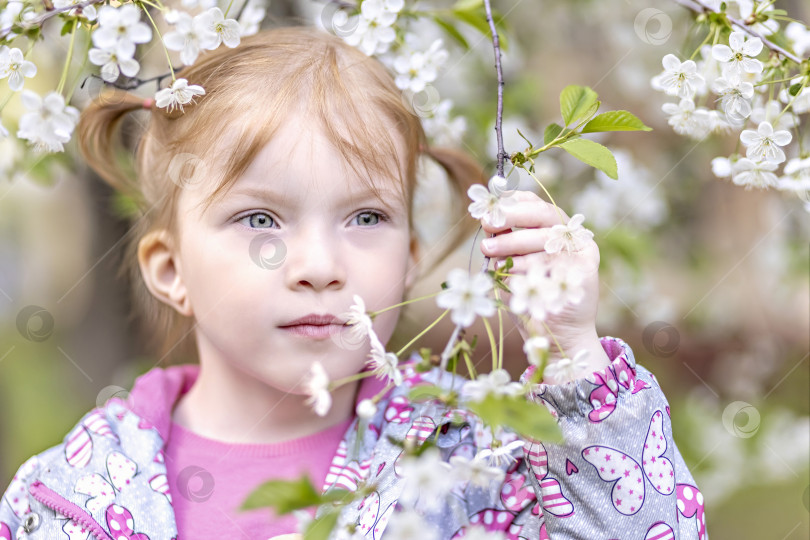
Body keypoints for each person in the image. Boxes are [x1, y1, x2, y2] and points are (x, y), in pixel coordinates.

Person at [0, 26, 706, 540]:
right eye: (259, 220)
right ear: (170, 270)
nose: (317, 264)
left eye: (365, 216)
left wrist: (574, 358)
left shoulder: (472, 457)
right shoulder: (70, 495)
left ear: (408, 258)